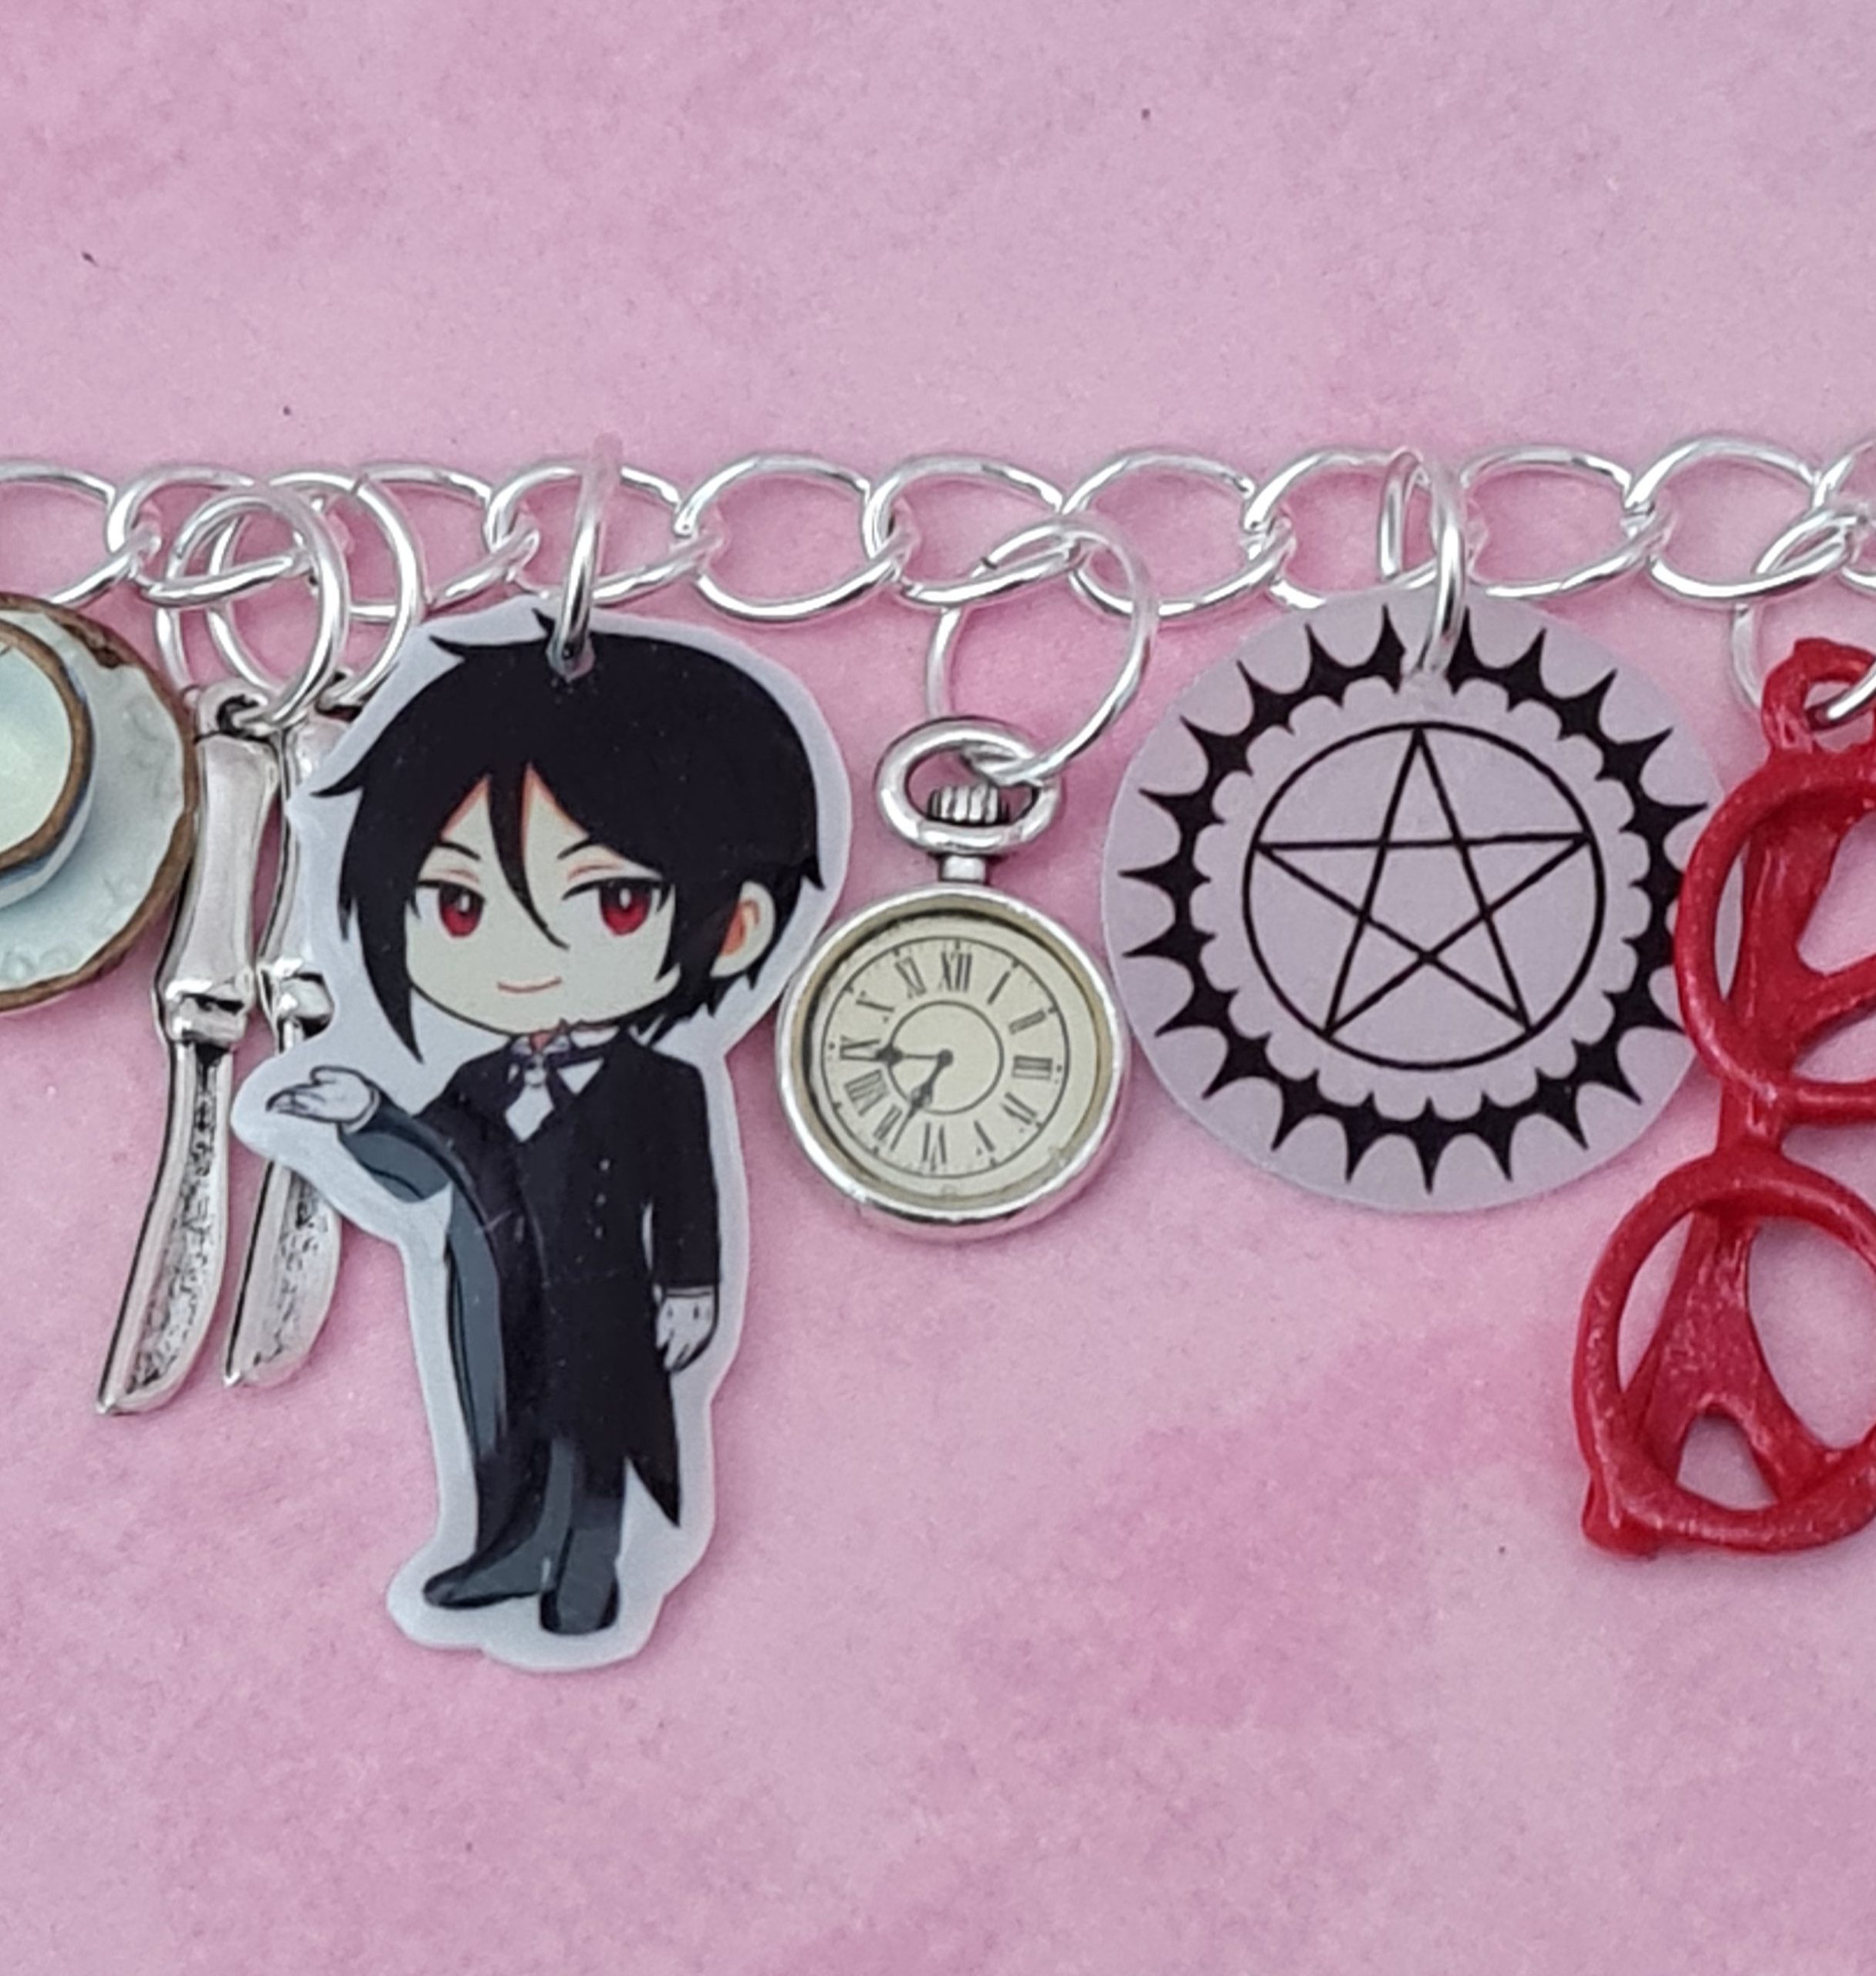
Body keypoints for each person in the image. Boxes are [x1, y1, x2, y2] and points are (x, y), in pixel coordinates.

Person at [269, 624, 825, 1637]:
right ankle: (514, 1549)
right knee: (509, 1426)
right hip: (496, 1295)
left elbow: (690, 1187)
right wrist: (365, 1118)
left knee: (596, 1434)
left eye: (613, 902)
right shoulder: (477, 1074)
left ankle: (590, 1576)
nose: (524, 954)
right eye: (457, 904)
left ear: (736, 925)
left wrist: (690, 1285)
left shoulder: (664, 1081)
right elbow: (438, 1168)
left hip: (611, 1295)